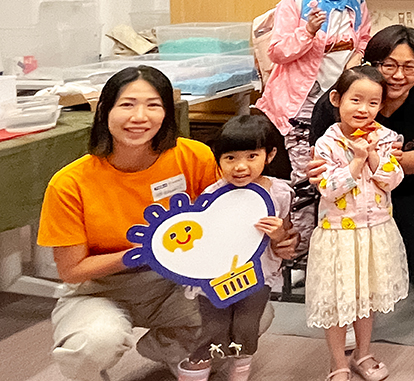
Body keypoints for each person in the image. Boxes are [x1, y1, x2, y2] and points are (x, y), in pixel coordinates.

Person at [38, 66, 281, 381]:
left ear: (167, 112)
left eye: (153, 105)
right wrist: (143, 252)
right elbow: (71, 270)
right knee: (92, 343)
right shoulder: (70, 182)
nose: (139, 116)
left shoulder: (193, 156)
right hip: (101, 289)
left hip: (179, 282)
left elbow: (229, 219)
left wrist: (280, 237)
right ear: (104, 111)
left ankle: (169, 348)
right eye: (127, 104)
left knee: (251, 312)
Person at [309, 25, 414, 293]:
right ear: (371, 63)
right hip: (348, 194)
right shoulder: (339, 99)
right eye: (389, 65)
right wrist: (320, 171)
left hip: (407, 186)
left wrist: (386, 160)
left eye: (409, 67)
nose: (398, 75)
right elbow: (318, 160)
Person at [257, 0, 371, 253]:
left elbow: (364, 39)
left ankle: (336, 244)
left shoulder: (357, 0)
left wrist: (354, 64)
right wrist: (307, 31)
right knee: (308, 177)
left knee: (341, 169)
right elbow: (277, 51)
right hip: (300, 102)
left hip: (338, 101)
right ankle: (303, 252)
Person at [309, 66, 409, 381]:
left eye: (373, 103)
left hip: (376, 230)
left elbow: (393, 180)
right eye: (356, 100)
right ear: (337, 99)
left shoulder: (386, 138)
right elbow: (328, 188)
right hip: (338, 233)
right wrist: (356, 161)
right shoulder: (327, 143)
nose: (363, 109)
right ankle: (337, 362)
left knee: (367, 298)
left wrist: (373, 156)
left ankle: (362, 353)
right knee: (337, 300)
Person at [182, 115, 294, 381]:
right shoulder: (212, 195)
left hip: (258, 275)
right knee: (213, 328)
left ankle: (240, 370)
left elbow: (286, 237)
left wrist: (278, 234)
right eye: (230, 158)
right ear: (218, 160)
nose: (240, 166)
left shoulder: (280, 193)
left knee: (246, 327)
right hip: (215, 277)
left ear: (269, 155)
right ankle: (195, 368)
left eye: (252, 156)